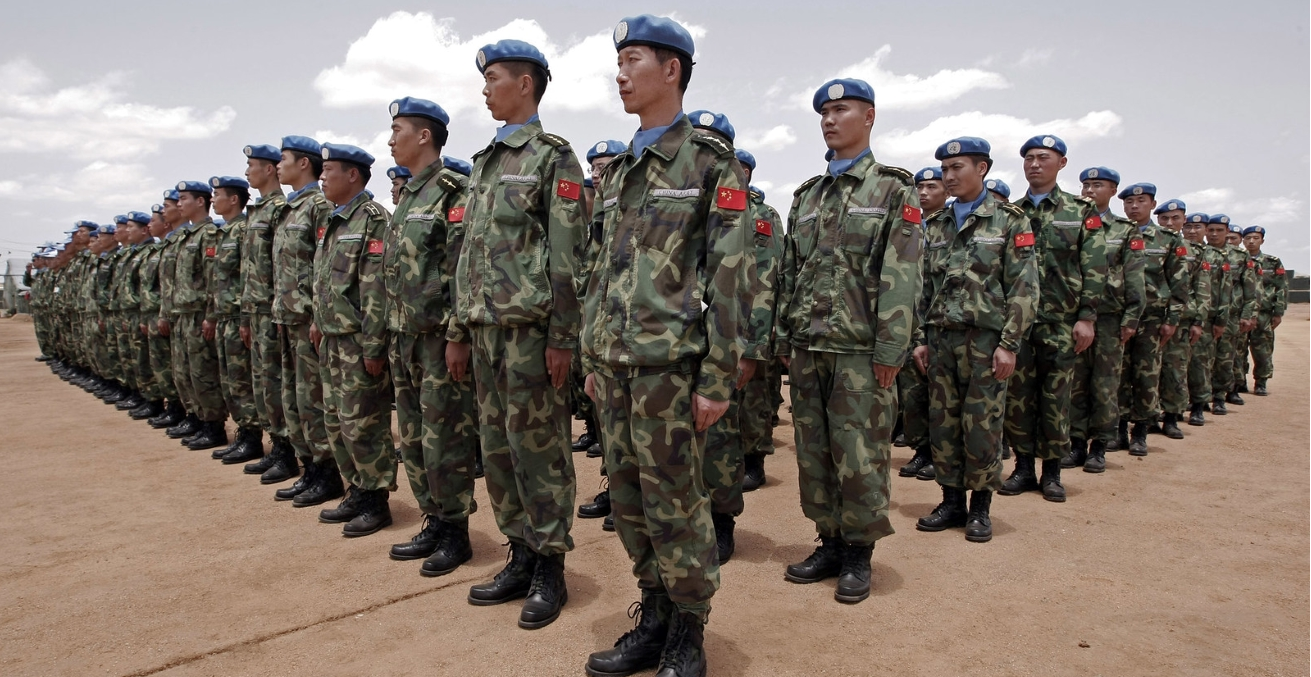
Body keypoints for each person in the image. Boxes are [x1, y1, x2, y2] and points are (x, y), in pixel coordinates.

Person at [579, 16, 749, 677]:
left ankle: (687, 629)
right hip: (615, 369)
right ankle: (651, 614)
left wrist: (716, 376)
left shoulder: (709, 162)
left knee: (676, 502)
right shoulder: (619, 170)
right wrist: (592, 358)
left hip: (671, 372)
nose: (619, 73)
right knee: (628, 500)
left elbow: (729, 275)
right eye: (617, 61)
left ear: (671, 70)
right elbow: (599, 271)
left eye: (632, 60)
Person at [776, 76, 921, 603]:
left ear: (870, 117)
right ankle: (829, 540)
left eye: (842, 110)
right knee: (814, 453)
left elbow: (901, 274)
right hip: (810, 346)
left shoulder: (892, 189)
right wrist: (783, 339)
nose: (831, 120)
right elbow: (790, 271)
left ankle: (859, 552)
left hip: (861, 350)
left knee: (860, 455)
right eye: (824, 112)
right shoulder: (807, 197)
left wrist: (891, 348)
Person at [456, 38, 584, 630]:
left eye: (494, 78)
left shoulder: (553, 158)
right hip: (484, 332)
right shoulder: (482, 163)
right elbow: (468, 255)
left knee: (540, 451)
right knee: (499, 450)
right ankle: (520, 552)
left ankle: (550, 566)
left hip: (531, 333)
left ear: (526, 85)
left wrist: (563, 335)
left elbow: (567, 256)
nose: (485, 89)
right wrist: (459, 327)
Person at [913, 136, 1038, 542]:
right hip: (941, 340)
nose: (949, 177)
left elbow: (1024, 288)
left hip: (986, 343)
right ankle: (951, 501)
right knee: (943, 423)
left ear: (981, 169)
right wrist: (920, 338)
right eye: (945, 170)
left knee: (982, 425)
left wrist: (1009, 344)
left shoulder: (1010, 221)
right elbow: (922, 288)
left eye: (957, 169)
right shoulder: (935, 226)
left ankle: (980, 507)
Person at [380, 97, 481, 575]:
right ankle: (434, 519)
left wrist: (458, 335)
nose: (390, 138)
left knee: (445, 439)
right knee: (416, 439)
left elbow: (464, 269)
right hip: (404, 337)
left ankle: (455, 530)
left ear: (425, 136)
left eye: (397, 129)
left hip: (439, 339)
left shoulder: (451, 191)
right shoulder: (407, 199)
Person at [1002, 135, 1107, 501]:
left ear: (1061, 164)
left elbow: (1094, 267)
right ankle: (1024, 467)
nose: (1034, 164)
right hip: (1019, 324)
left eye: (1042, 158)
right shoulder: (1012, 215)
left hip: (1061, 322)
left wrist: (1087, 317)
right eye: (1028, 158)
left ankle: (1053, 472)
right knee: (1019, 398)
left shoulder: (1081, 211)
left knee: (1055, 398)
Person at [311, 143, 396, 537]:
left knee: (364, 423)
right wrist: (317, 318)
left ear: (353, 175)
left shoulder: (373, 219)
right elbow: (324, 278)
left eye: (329, 170)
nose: (322, 176)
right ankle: (357, 488)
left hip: (358, 340)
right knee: (337, 421)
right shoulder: (332, 221)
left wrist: (374, 344)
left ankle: (376, 499)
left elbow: (376, 288)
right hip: (331, 338)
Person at [272, 135, 344, 507]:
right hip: (288, 316)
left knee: (314, 397)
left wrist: (317, 313)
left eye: (283, 158)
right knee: (295, 397)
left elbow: (323, 265)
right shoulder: (288, 209)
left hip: (308, 318)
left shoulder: (317, 206)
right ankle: (310, 468)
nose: (277, 165)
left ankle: (327, 471)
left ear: (304, 163)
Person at [1065, 167, 1143, 471]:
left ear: (1112, 191)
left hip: (1109, 319)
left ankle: (1099, 445)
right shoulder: (1074, 223)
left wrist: (1132, 317)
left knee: (1105, 384)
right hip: (1076, 316)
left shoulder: (1124, 230)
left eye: (1097, 185)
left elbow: (1135, 278)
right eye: (1085, 184)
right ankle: (1075, 444)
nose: (1089, 190)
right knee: (1076, 384)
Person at [237, 144, 298, 484]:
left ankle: (287, 453)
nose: (248, 172)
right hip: (258, 311)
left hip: (275, 312)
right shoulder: (257, 211)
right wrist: (247, 315)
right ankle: (277, 447)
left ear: (271, 169)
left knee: (278, 386)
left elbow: (284, 267)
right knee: (264, 385)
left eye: (253, 165)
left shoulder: (278, 210)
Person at [1116, 183, 1186, 456]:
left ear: (1152, 204)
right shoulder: (1115, 234)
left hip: (1152, 319)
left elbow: (1179, 284)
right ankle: (1119, 431)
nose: (1134, 206)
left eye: (1141, 201)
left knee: (1146, 376)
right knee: (1118, 376)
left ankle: (1140, 433)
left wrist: (1173, 318)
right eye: (1129, 201)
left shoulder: (1168, 240)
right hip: (1119, 317)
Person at [204, 176, 263, 464]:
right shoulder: (223, 232)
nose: (213, 199)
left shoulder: (241, 230)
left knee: (241, 381)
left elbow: (247, 277)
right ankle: (243, 432)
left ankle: (252, 437)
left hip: (239, 317)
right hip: (224, 316)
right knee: (229, 381)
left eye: (217, 194)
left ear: (234, 199)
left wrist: (244, 318)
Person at [736, 148, 784, 495]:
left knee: (753, 398)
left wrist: (756, 341)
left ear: (748, 174)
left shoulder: (761, 215)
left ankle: (754, 462)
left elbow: (768, 277)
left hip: (751, 321)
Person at [898, 166, 949, 481]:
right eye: (920, 187)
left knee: (939, 394)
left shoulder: (952, 225)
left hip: (940, 321)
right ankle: (921, 450)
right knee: (913, 393)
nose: (924, 193)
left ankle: (940, 455)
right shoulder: (906, 225)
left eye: (932, 187)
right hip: (908, 319)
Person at [172, 180, 230, 451]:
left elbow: (212, 279)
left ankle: (213, 424)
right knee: (187, 372)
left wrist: (211, 315)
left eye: (184, 198)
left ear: (199, 202)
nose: (179, 203)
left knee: (203, 372)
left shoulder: (209, 235)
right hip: (185, 313)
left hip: (201, 314)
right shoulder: (188, 236)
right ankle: (198, 418)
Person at [1154, 199, 1207, 439]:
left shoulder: (1195, 252)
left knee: (1175, 370)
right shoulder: (1148, 242)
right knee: (1148, 373)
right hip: (1151, 318)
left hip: (1180, 321)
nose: (1169, 223)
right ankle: (1149, 415)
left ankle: (1173, 417)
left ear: (1183, 220)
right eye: (1164, 218)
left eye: (1175, 218)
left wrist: (1198, 321)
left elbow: (1202, 289)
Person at [1241, 226, 1286, 395]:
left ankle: (1261, 381)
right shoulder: (1238, 259)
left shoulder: (1272, 262)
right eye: (1248, 238)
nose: (1251, 241)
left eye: (1255, 238)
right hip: (1242, 312)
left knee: (1263, 349)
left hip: (1264, 314)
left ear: (1262, 241)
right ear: (1243, 240)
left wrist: (1278, 312)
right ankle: (1239, 381)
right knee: (1239, 349)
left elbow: (1281, 288)